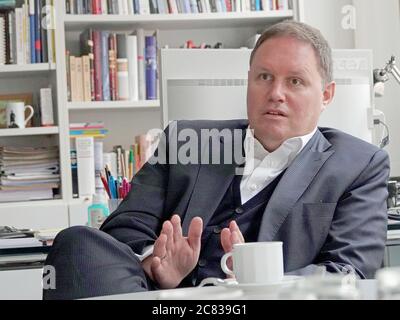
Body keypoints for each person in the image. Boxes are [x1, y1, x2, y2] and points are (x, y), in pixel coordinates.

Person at [43, 20, 390, 300]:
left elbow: (350, 273)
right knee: (78, 243)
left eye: (295, 81)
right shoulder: (186, 140)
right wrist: (156, 263)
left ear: (326, 94)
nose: (275, 94)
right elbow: (123, 228)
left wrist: (260, 282)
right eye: (264, 77)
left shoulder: (359, 165)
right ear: (249, 81)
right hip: (161, 297)